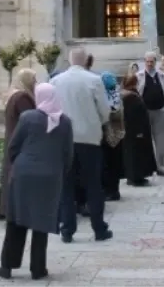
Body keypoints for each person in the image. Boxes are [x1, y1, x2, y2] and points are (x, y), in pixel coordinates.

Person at [0, 82, 73, 281]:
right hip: (50, 176)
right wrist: (59, 172)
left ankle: (7, 266)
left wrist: (18, 165)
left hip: (24, 174)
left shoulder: (28, 117)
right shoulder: (65, 122)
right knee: (41, 221)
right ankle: (38, 268)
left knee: (16, 219)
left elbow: (13, 146)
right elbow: (68, 154)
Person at [51, 49, 113, 243]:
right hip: (89, 138)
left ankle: (67, 229)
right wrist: (95, 122)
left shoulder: (56, 81)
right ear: (86, 60)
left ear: (69, 60)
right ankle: (98, 228)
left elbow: (51, 111)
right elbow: (105, 111)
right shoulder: (94, 80)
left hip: (63, 139)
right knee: (93, 184)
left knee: (66, 186)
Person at [0, 69, 37, 220]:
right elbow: (30, 120)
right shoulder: (22, 97)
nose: (36, 83)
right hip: (21, 143)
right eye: (34, 79)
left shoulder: (15, 96)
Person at [137, 51, 164, 176]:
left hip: (160, 111)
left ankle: (161, 166)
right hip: (145, 113)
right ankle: (145, 167)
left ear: (155, 62)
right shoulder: (139, 76)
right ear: (144, 62)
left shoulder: (162, 76)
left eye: (152, 61)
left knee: (160, 140)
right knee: (144, 141)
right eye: (147, 61)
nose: (149, 64)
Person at [120, 73, 158, 186]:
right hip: (135, 131)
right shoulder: (130, 97)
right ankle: (135, 177)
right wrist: (139, 131)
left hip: (132, 131)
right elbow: (134, 116)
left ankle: (136, 176)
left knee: (134, 154)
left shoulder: (127, 95)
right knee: (135, 155)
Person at [97, 71, 125, 201]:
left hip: (107, 135)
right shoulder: (117, 95)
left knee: (107, 163)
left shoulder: (104, 97)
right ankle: (114, 190)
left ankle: (109, 191)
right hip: (118, 134)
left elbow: (106, 114)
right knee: (114, 163)